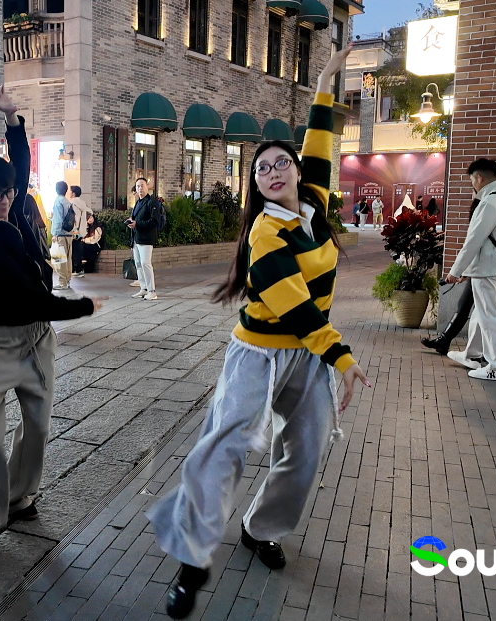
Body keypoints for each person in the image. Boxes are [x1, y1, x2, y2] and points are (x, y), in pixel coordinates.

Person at [146, 46, 369, 620]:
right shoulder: (265, 236)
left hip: (308, 356)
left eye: (279, 163)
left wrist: (324, 78)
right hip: (261, 355)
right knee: (226, 449)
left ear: (296, 170)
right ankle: (192, 561)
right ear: (256, 185)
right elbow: (295, 311)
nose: (271, 172)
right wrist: (341, 356)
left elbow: (320, 136)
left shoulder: (316, 204)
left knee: (307, 450)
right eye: (260, 169)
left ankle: (261, 528)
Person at [0, 85, 101, 547]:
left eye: (9, 191)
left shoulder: (11, 210)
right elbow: (25, 298)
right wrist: (84, 306)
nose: (5, 198)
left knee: (39, 425)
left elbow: (20, 166)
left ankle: (21, 497)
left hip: (36, 339)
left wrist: (12, 120)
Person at [443, 158, 496, 381]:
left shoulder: (490, 201)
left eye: (472, 180)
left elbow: (474, 239)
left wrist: (455, 269)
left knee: (491, 315)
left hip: (488, 267)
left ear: (479, 178)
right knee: (482, 313)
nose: (472, 184)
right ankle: (472, 355)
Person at [129, 178, 160, 301]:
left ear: (147, 187)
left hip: (146, 238)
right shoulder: (138, 202)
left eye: (142, 185)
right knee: (138, 264)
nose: (140, 188)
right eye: (137, 186)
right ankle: (143, 288)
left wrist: (137, 224)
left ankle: (152, 290)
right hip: (136, 238)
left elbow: (154, 221)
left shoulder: (151, 202)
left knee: (146, 263)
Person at [50, 180, 74, 290]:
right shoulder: (67, 202)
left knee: (59, 259)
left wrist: (55, 233)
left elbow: (58, 220)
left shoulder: (58, 202)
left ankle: (62, 282)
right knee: (68, 258)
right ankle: (67, 280)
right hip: (69, 234)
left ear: (56, 190)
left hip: (60, 234)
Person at [74, 212, 103, 276]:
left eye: (90, 217)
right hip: (88, 246)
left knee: (82, 245)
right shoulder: (87, 228)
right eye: (87, 218)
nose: (89, 220)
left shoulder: (97, 227)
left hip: (95, 245)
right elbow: (82, 235)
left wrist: (85, 240)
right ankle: (81, 264)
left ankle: (80, 265)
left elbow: (94, 239)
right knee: (79, 246)